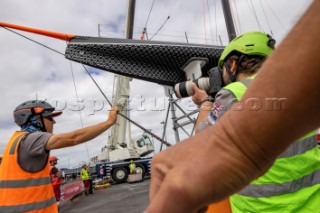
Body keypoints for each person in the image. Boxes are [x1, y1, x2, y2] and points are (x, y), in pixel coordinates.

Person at [145, 1, 320, 213]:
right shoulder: (296, 90)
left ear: (233, 64)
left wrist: (205, 102)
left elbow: (202, 142)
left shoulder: (234, 92)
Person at [0, 100, 118, 212]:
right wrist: (109, 122)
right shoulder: (31, 139)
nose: (54, 122)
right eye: (50, 118)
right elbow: (74, 138)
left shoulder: (16, 140)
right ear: (36, 119)